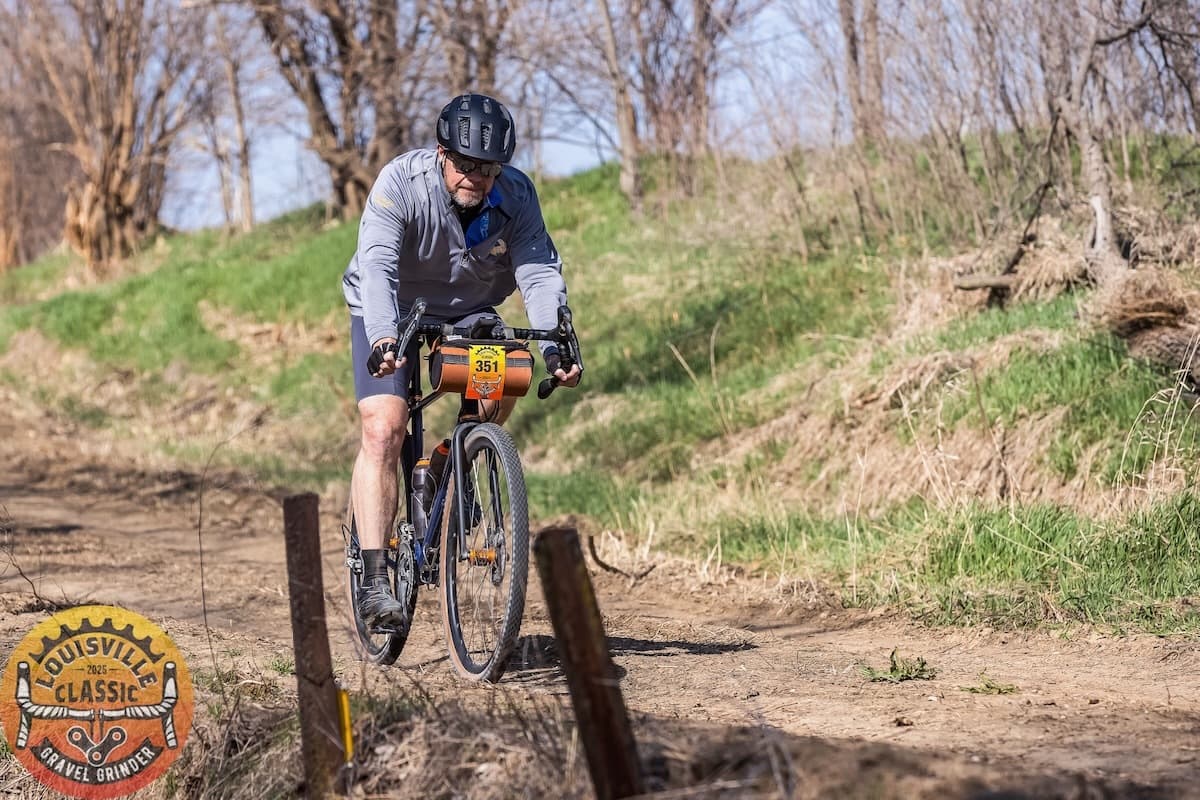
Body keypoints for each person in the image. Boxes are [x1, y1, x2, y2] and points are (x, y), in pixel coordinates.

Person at [342, 92, 581, 628]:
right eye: (466, 165)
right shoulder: (401, 183)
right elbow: (378, 264)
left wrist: (554, 346)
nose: (477, 178)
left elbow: (539, 272)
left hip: (471, 310)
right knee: (385, 427)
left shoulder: (517, 196)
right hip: (392, 307)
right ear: (441, 153)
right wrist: (384, 338)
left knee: (508, 378)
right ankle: (377, 582)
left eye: (489, 169)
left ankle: (452, 461)